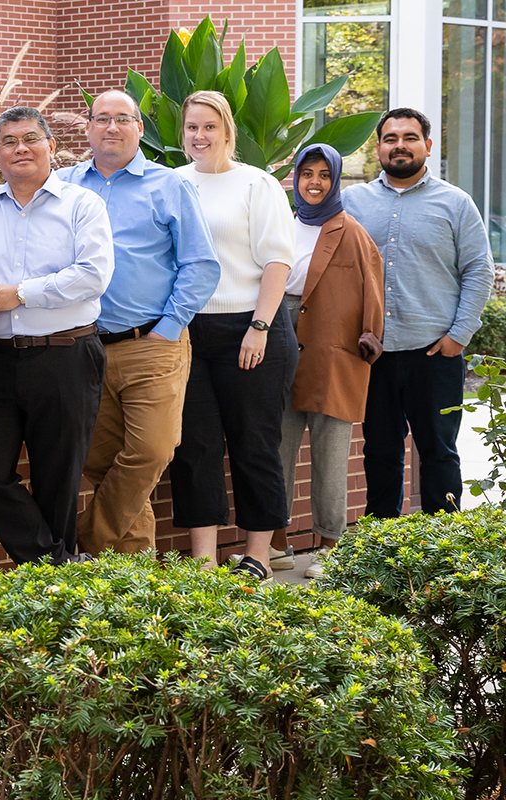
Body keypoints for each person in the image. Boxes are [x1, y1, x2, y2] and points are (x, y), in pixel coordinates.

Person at [59, 90, 220, 557]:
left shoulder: (168, 185)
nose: (111, 127)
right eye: (102, 118)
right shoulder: (65, 186)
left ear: (140, 128)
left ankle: (83, 541)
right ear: (87, 127)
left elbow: (201, 264)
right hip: (83, 346)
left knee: (152, 451)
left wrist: (169, 327)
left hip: (151, 340)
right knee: (100, 460)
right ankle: (133, 579)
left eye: (123, 119)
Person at [0, 106, 114, 566]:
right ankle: (57, 566)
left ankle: (49, 589)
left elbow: (93, 275)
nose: (20, 148)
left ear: (51, 147)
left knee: (58, 477)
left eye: (30, 138)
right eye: (8, 141)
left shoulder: (82, 204)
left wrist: (20, 294)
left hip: (65, 355)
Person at [169, 91, 297, 580]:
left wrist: (259, 328)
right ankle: (202, 561)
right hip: (187, 330)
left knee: (254, 444)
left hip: (251, 327)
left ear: (227, 131)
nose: (199, 137)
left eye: (209, 127)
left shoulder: (256, 184)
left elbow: (277, 262)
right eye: (191, 127)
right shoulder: (172, 183)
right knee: (194, 447)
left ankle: (257, 558)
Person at [343, 108, 493, 519]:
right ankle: (384, 545)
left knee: (440, 454)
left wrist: (459, 335)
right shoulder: (352, 202)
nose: (400, 146)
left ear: (427, 146)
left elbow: (478, 269)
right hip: (373, 355)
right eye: (391, 139)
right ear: (378, 148)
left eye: (410, 138)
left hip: (435, 353)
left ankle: (440, 545)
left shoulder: (456, 203)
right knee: (379, 452)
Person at [266, 146, 384, 580]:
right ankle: (275, 544)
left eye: (323, 175)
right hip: (280, 342)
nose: (314, 182)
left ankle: (330, 547)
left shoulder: (351, 231)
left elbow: (373, 289)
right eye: (305, 174)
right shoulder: (281, 221)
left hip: (333, 351)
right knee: (275, 450)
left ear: (335, 180)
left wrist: (368, 342)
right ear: (294, 178)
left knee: (330, 456)